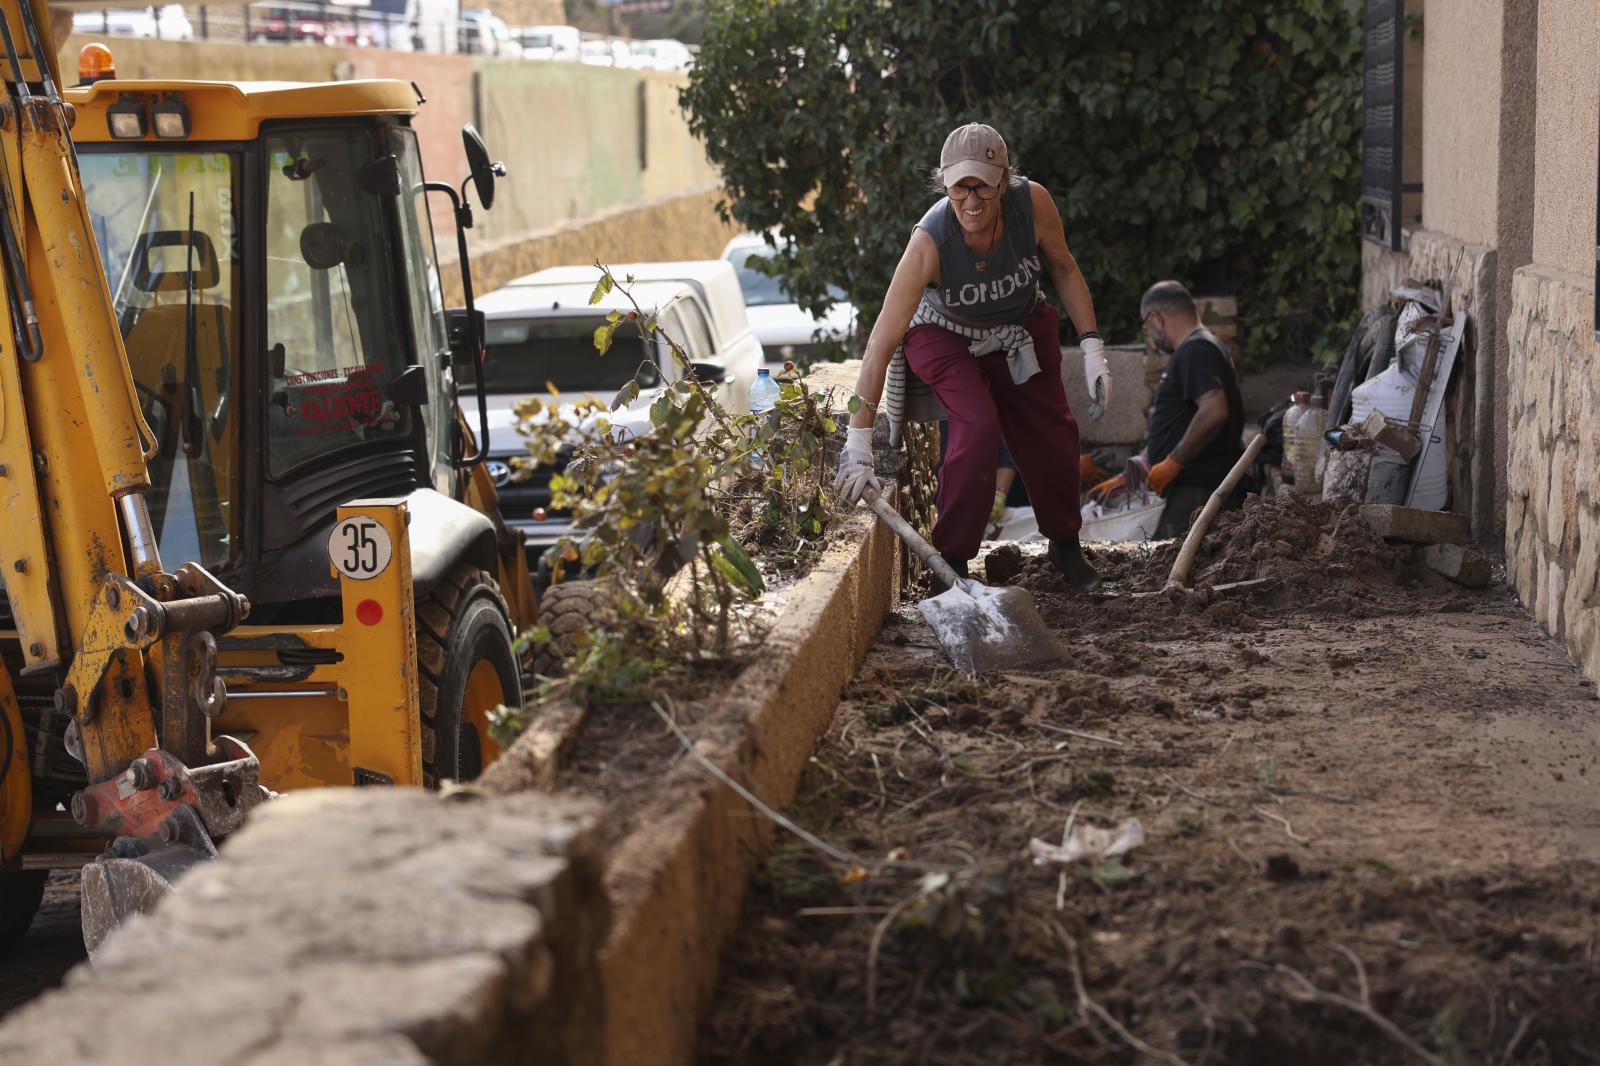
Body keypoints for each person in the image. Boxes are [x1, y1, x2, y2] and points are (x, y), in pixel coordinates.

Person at [833, 122, 1111, 590]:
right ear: (945, 184)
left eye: (982, 185)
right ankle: (954, 562)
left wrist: (1092, 347)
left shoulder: (1033, 204)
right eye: (960, 187)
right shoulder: (930, 242)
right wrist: (858, 444)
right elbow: (880, 343)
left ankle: (1066, 546)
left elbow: (1063, 267)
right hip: (945, 336)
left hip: (1018, 328)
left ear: (1004, 180)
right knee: (977, 426)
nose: (972, 201)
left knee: (1053, 431)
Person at [1090, 281, 1244, 539]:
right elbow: (1176, 423)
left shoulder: (1196, 350)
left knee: (1170, 565)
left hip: (1196, 490)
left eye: (1146, 326)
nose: (1149, 334)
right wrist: (1136, 470)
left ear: (1156, 318)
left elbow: (1215, 411)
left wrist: (1174, 462)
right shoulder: (1201, 348)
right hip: (1191, 488)